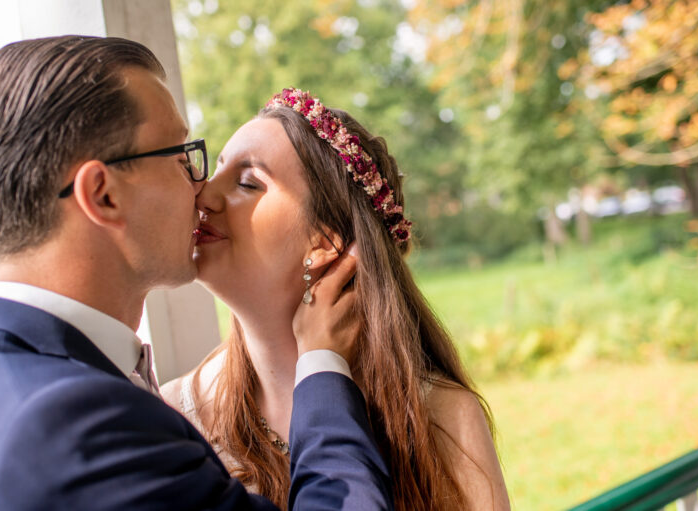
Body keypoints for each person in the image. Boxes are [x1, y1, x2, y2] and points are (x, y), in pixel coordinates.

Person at [0, 38, 394, 510]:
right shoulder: (78, 424)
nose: (201, 188)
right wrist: (320, 367)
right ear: (104, 194)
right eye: (180, 157)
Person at [162, 88, 512, 511]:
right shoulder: (174, 414)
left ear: (326, 244)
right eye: (215, 171)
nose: (203, 196)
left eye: (248, 183)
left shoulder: (441, 419)